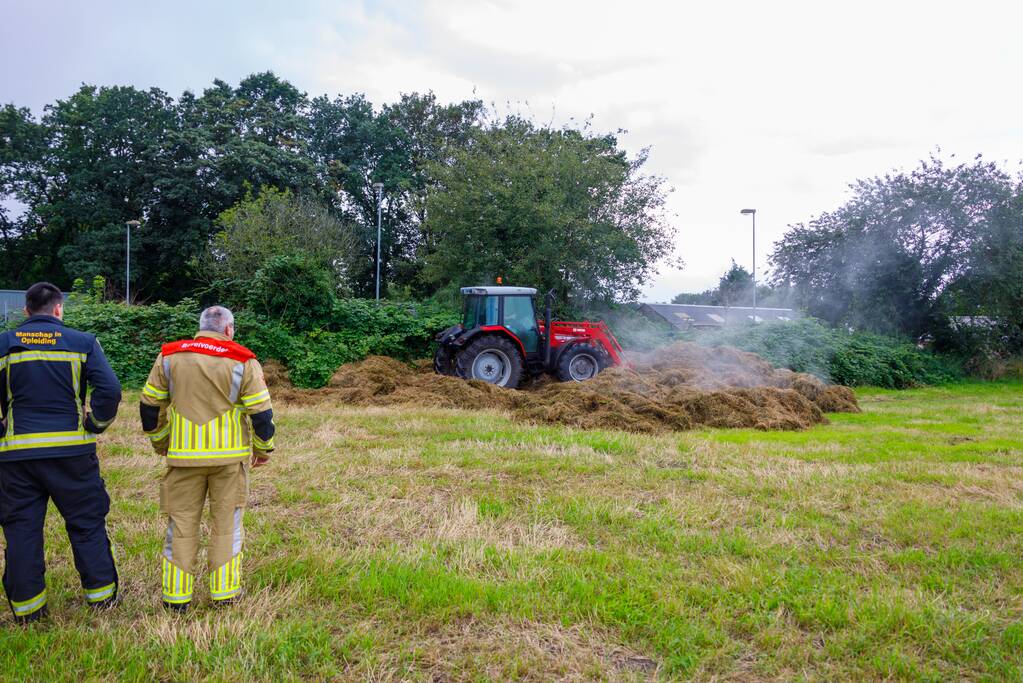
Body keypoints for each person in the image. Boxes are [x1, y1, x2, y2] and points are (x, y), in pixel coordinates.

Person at [0, 282, 122, 623]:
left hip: (17, 456)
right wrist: (95, 423)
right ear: (59, 309)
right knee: (86, 524)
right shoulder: (83, 342)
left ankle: (28, 611)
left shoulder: (4, 344)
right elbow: (110, 389)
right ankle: (101, 599)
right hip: (72, 454)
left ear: (26, 311)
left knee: (21, 530)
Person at [139, 306, 274, 611]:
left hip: (183, 459)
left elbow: (149, 407)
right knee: (227, 526)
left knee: (180, 526)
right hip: (228, 462)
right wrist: (263, 450)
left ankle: (176, 598)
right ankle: (225, 594)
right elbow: (262, 415)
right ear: (228, 329)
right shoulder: (243, 360)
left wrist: (162, 443)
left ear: (200, 327)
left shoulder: (170, 357)